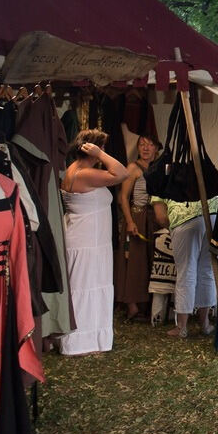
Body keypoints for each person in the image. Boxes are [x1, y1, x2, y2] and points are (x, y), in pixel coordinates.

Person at [58, 129, 129, 355]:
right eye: (102, 148)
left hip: (90, 239)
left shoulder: (77, 169)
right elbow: (121, 174)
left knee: (87, 286)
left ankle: (90, 338)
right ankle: (80, 341)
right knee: (84, 288)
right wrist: (101, 155)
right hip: (87, 241)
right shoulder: (83, 173)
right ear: (93, 149)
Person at [152, 196, 218, 338]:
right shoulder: (207, 173)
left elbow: (161, 217)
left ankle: (181, 327)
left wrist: (173, 228)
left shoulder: (163, 177)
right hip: (212, 217)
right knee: (206, 271)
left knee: (186, 273)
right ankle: (205, 323)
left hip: (183, 221)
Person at [116, 134, 160, 321]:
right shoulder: (133, 168)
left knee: (150, 260)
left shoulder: (159, 167)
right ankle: (132, 305)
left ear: (156, 148)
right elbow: (123, 197)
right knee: (134, 260)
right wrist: (130, 221)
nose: (146, 148)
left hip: (153, 217)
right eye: (142, 144)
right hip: (137, 215)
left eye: (150, 145)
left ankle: (149, 305)